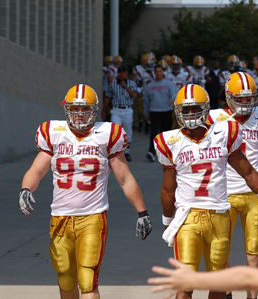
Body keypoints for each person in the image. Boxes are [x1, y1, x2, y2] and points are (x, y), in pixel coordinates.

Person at [18, 84, 152, 299]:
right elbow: (36, 169)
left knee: (88, 278)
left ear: (95, 109)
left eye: (85, 109)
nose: (80, 114)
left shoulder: (106, 134)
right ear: (67, 109)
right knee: (65, 277)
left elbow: (124, 178)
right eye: (75, 108)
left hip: (92, 217)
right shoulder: (54, 133)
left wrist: (142, 212)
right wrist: (26, 189)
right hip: (60, 216)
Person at [154, 84, 258, 299]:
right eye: (186, 109)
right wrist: (168, 219)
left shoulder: (224, 132)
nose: (190, 114)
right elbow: (167, 188)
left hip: (219, 214)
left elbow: (248, 172)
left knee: (219, 283)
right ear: (177, 111)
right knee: (185, 283)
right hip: (188, 217)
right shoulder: (169, 141)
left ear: (206, 108)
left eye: (195, 108)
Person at [208, 72, 258, 299]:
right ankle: (226, 294)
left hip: (255, 192)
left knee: (254, 252)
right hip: (223, 194)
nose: (245, 103)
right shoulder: (213, 118)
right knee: (221, 251)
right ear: (228, 96)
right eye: (240, 98)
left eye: (249, 98)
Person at [102, 65, 138, 162]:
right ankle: (115, 151)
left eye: (127, 72)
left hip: (127, 109)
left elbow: (135, 95)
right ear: (119, 74)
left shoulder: (131, 83)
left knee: (128, 131)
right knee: (115, 130)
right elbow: (107, 98)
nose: (126, 74)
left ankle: (127, 152)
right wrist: (103, 110)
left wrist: (125, 86)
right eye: (124, 72)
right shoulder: (113, 85)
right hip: (116, 110)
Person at [143, 64, 178, 162]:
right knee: (154, 133)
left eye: (160, 71)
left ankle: (167, 153)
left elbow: (175, 93)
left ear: (163, 73)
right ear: (154, 72)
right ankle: (151, 152)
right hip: (155, 112)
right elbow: (146, 101)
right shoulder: (150, 86)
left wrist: (172, 99)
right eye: (157, 71)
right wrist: (146, 114)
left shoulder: (168, 84)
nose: (158, 73)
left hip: (166, 111)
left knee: (167, 133)